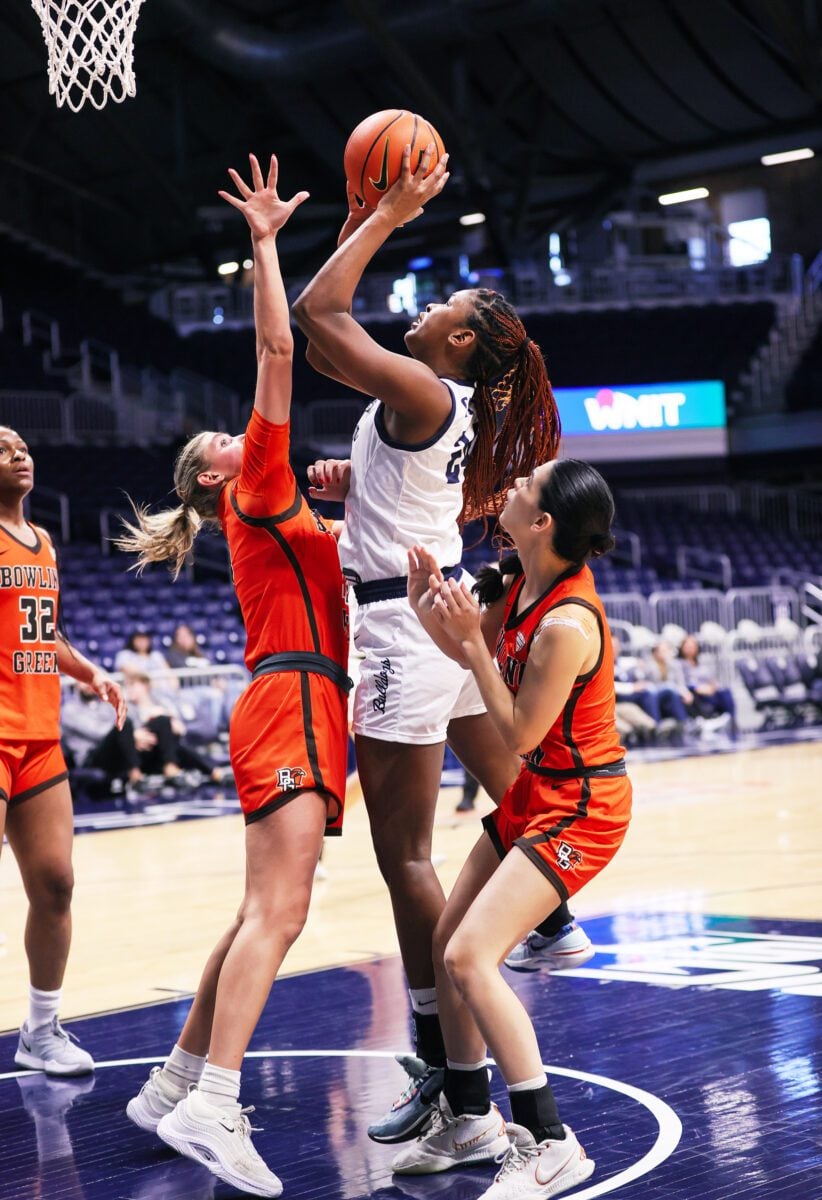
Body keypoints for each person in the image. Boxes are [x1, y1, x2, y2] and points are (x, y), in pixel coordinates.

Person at [293, 142, 589, 1145]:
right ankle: (553, 917)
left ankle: (443, 1068)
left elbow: (316, 319)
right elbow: (335, 337)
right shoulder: (432, 402)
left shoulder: (426, 395)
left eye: (440, 311)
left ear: (460, 346)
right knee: (512, 789)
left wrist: (388, 213)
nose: (419, 311)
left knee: (405, 857)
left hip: (399, 626)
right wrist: (359, 482)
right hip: (435, 613)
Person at [117, 153, 349, 1198]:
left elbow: (359, 549)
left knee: (258, 909)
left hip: (290, 696)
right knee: (281, 915)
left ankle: (171, 1082)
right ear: (218, 474)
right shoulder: (255, 488)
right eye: (224, 439)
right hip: (293, 697)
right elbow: (277, 343)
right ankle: (216, 1100)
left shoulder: (280, 511)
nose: (238, 431)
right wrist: (263, 242)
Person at [400, 459, 631, 1198]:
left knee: (470, 956)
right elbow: (472, 659)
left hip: (582, 807)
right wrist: (427, 612)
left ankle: (550, 1140)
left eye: (528, 486)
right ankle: (471, 1120)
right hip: (540, 795)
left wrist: (470, 643)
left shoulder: (567, 623)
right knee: (446, 943)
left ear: (544, 523)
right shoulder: (518, 580)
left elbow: (519, 734)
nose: (514, 486)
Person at [0, 426, 126, 1075]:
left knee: (55, 884)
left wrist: (91, 672)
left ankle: (41, 1030)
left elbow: (40, 633)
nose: (17, 454)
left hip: (40, 737)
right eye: (1, 449)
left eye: (21, 446)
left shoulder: (43, 541)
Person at [678, 634, 737, 733]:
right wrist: (699, 688)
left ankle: (731, 721)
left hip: (709, 690)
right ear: (682, 648)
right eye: (687, 646)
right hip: (695, 691)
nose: (690, 649)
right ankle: (704, 721)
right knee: (695, 693)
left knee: (726, 692)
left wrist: (712, 687)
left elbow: (712, 679)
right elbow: (683, 682)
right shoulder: (679, 664)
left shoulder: (701, 663)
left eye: (692, 646)